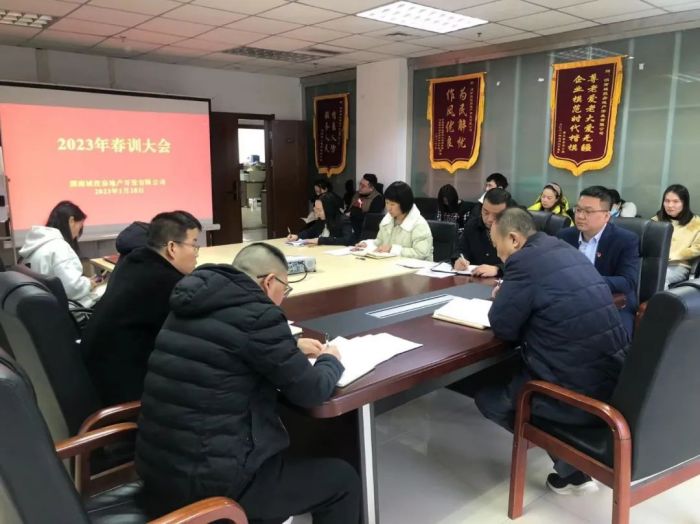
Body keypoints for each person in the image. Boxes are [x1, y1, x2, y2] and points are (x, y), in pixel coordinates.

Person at [135, 242, 360, 523]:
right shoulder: (259, 315)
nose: (283, 298)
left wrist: (289, 345)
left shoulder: (190, 301)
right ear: (269, 282)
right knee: (343, 481)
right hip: (214, 486)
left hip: (159, 471)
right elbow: (312, 390)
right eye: (285, 288)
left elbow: (222, 345)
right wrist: (330, 360)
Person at [474, 208, 628, 495]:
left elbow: (504, 326)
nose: (498, 254)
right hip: (614, 380)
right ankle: (572, 465)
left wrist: (504, 297)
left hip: (575, 393)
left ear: (514, 239)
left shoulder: (523, 262)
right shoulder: (564, 249)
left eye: (498, 246)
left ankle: (572, 467)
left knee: (489, 399)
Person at [83, 211, 202, 406]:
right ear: (172, 247)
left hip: (96, 377)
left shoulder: (132, 263)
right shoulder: (166, 284)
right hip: (125, 396)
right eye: (194, 244)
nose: (197, 253)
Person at [557, 186, 640, 338]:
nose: (580, 216)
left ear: (606, 216)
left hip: (612, 302)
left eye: (588, 212)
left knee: (613, 340)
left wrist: (586, 282)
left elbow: (628, 282)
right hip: (570, 300)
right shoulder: (564, 236)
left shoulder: (626, 240)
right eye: (578, 210)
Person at [18, 201, 102, 307]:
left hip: (43, 306)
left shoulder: (35, 245)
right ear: (71, 221)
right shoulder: (59, 247)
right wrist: (88, 283)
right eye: (80, 225)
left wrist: (85, 282)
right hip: (68, 309)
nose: (78, 233)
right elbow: (72, 289)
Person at [355, 181, 433, 261]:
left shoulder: (419, 224)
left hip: (417, 267)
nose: (388, 208)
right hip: (392, 264)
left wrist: (392, 249)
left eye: (392, 204)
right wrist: (367, 244)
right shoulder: (388, 219)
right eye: (387, 203)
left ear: (404, 203)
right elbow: (380, 241)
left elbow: (420, 254)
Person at [453, 188, 516, 276]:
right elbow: (461, 250)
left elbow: (525, 261)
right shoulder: (472, 225)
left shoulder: (516, 231)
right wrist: (458, 259)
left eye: (496, 215)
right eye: (486, 212)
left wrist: (498, 269)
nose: (489, 219)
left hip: (504, 280)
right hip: (474, 278)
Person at [652, 184, 700, 288]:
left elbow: (697, 248)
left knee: (660, 278)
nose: (670, 205)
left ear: (684, 203)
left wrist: (675, 255)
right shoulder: (655, 221)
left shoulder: (696, 223)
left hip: (678, 265)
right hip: (654, 263)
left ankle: (659, 299)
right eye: (667, 201)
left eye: (675, 201)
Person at [287, 193, 354, 246]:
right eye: (316, 209)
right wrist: (297, 236)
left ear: (329, 209)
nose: (317, 212)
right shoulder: (322, 219)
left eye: (319, 210)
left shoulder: (343, 220)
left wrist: (320, 240)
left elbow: (347, 240)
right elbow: (310, 231)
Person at [349, 173, 385, 238]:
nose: (359, 187)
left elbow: (370, 219)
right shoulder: (357, 194)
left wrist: (353, 213)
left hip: (361, 231)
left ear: (371, 188)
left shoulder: (377, 199)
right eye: (360, 184)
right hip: (348, 224)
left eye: (363, 186)